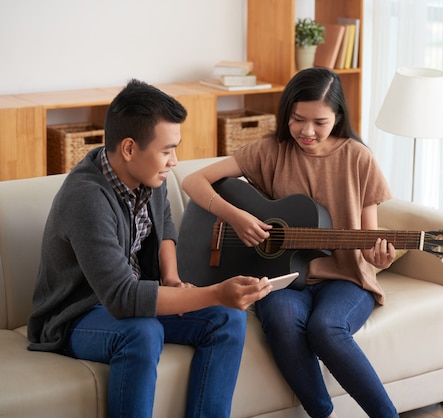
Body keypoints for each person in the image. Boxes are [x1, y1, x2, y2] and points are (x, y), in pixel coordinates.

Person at [27, 79, 272, 418]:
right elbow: (123, 298)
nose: (174, 161)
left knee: (228, 318)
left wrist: (171, 278)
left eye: (175, 148)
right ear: (129, 148)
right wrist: (215, 292)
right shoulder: (86, 198)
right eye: (167, 149)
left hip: (129, 298)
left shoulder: (148, 175)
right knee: (142, 331)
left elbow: (165, 228)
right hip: (75, 316)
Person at [182, 67, 399, 418]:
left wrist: (380, 257)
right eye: (298, 119)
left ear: (338, 117)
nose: (307, 131)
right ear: (287, 114)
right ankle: (321, 413)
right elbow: (194, 181)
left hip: (345, 279)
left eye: (320, 122)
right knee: (280, 318)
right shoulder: (270, 151)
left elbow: (369, 242)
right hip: (283, 278)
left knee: (326, 328)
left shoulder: (359, 159)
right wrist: (235, 216)